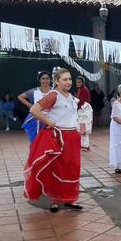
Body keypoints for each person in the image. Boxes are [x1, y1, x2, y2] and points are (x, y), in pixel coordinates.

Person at [24, 68, 83, 213]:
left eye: (69, 79)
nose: (68, 82)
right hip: (59, 137)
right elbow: (34, 110)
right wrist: (49, 122)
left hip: (72, 137)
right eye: (64, 79)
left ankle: (70, 198)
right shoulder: (53, 96)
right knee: (57, 168)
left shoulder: (70, 96)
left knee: (72, 168)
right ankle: (55, 200)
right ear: (56, 81)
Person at [19, 71, 53, 142]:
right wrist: (30, 105)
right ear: (40, 80)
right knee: (35, 141)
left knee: (50, 142)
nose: (45, 80)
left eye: (47, 78)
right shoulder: (34, 91)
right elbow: (20, 97)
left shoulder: (54, 91)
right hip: (36, 120)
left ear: (51, 80)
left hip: (51, 119)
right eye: (43, 78)